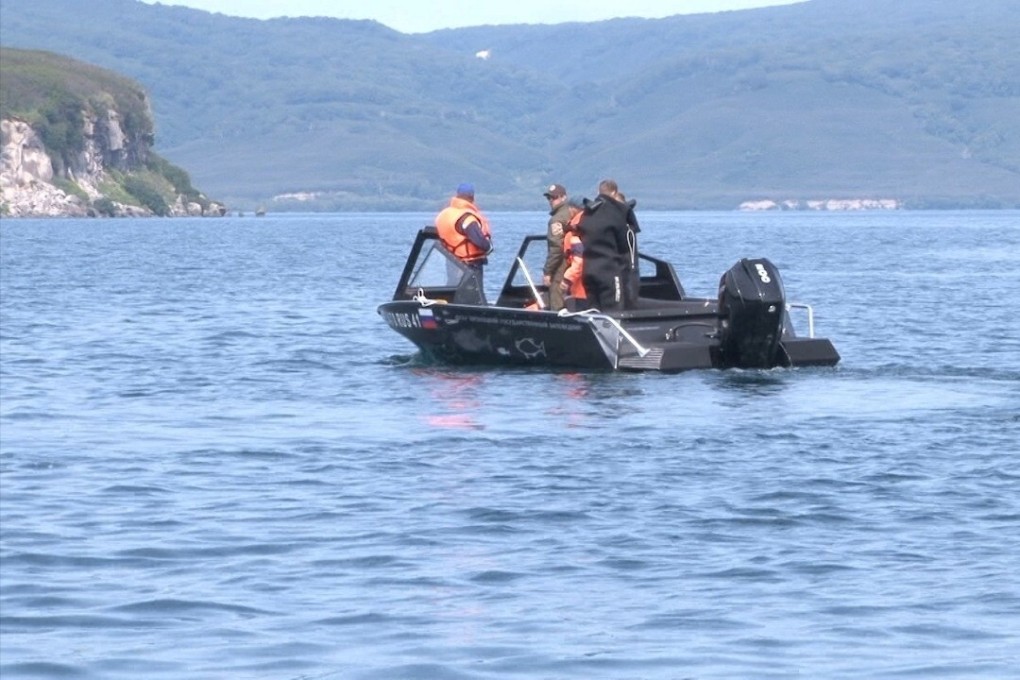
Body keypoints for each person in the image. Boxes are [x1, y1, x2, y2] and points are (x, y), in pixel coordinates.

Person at [579, 179, 639, 311]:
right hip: (608, 271)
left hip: (588, 270)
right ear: (614, 193)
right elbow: (626, 246)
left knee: (592, 311)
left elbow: (580, 231)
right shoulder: (616, 213)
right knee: (614, 311)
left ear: (598, 192)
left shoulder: (587, 212)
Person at [434, 182, 493, 293]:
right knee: (474, 294)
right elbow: (481, 242)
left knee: (454, 290)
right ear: (472, 197)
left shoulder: (444, 215)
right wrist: (489, 246)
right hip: (470, 264)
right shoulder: (467, 218)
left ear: (457, 195)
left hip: (451, 262)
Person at [541, 183, 571, 311]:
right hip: (574, 265)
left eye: (555, 197)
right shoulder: (572, 213)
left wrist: (548, 272)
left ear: (564, 197)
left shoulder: (557, 219)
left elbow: (556, 248)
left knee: (557, 301)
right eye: (549, 198)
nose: (551, 201)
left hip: (561, 266)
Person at [559, 196, 587, 308]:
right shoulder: (590, 225)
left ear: (574, 209)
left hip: (581, 287)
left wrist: (567, 280)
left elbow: (579, 262)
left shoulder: (575, 232)